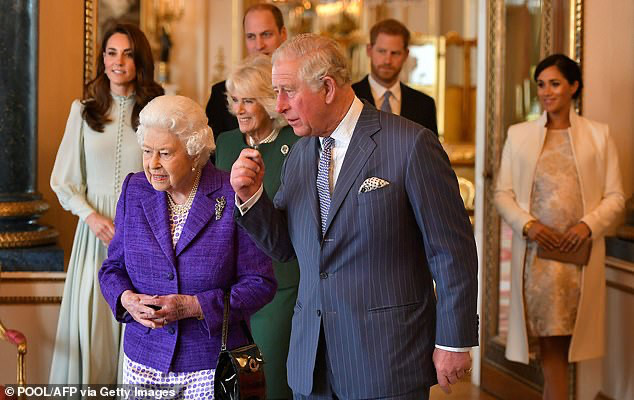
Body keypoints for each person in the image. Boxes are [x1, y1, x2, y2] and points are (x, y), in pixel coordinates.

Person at [230, 34, 478, 399]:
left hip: (387, 361)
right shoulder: (299, 155)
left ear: (328, 87)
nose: (279, 105)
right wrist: (252, 199)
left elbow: (451, 251)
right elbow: (285, 248)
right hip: (312, 364)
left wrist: (454, 341)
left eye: (288, 91)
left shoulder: (411, 145)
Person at [98, 95, 276, 397]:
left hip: (209, 366)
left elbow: (261, 283)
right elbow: (112, 268)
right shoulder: (134, 189)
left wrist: (194, 306)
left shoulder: (230, 193)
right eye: (147, 152)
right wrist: (126, 298)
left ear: (194, 153)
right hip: (143, 360)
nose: (152, 164)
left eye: (165, 153)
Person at [494, 54, 625, 400]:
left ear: (574, 86)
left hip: (580, 260)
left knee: (573, 344)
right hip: (538, 262)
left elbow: (616, 197)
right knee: (550, 346)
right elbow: (502, 194)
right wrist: (529, 225)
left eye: (554, 83)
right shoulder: (519, 135)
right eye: (541, 85)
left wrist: (587, 226)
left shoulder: (599, 136)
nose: (546, 92)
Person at [49, 23, 164, 385]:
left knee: (136, 319)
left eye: (128, 54)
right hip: (93, 236)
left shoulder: (156, 112)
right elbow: (63, 179)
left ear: (139, 60)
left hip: (144, 234)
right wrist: (91, 217)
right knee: (94, 320)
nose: (118, 61)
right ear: (102, 59)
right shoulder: (82, 111)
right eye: (112, 53)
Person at [215, 54, 299, 399]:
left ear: (268, 100)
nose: (240, 109)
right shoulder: (226, 143)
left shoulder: (297, 143)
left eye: (248, 100)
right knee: (232, 383)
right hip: (230, 286)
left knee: (273, 383)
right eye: (235, 100)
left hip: (280, 283)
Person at [205, 3, 287, 142]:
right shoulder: (221, 94)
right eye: (251, 37)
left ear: (283, 34)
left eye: (266, 34)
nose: (259, 45)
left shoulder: (297, 91)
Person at [352, 19, 438, 134]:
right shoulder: (350, 97)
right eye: (382, 51)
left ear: (406, 55)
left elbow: (429, 151)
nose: (387, 60)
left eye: (395, 53)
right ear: (369, 51)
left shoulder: (425, 105)